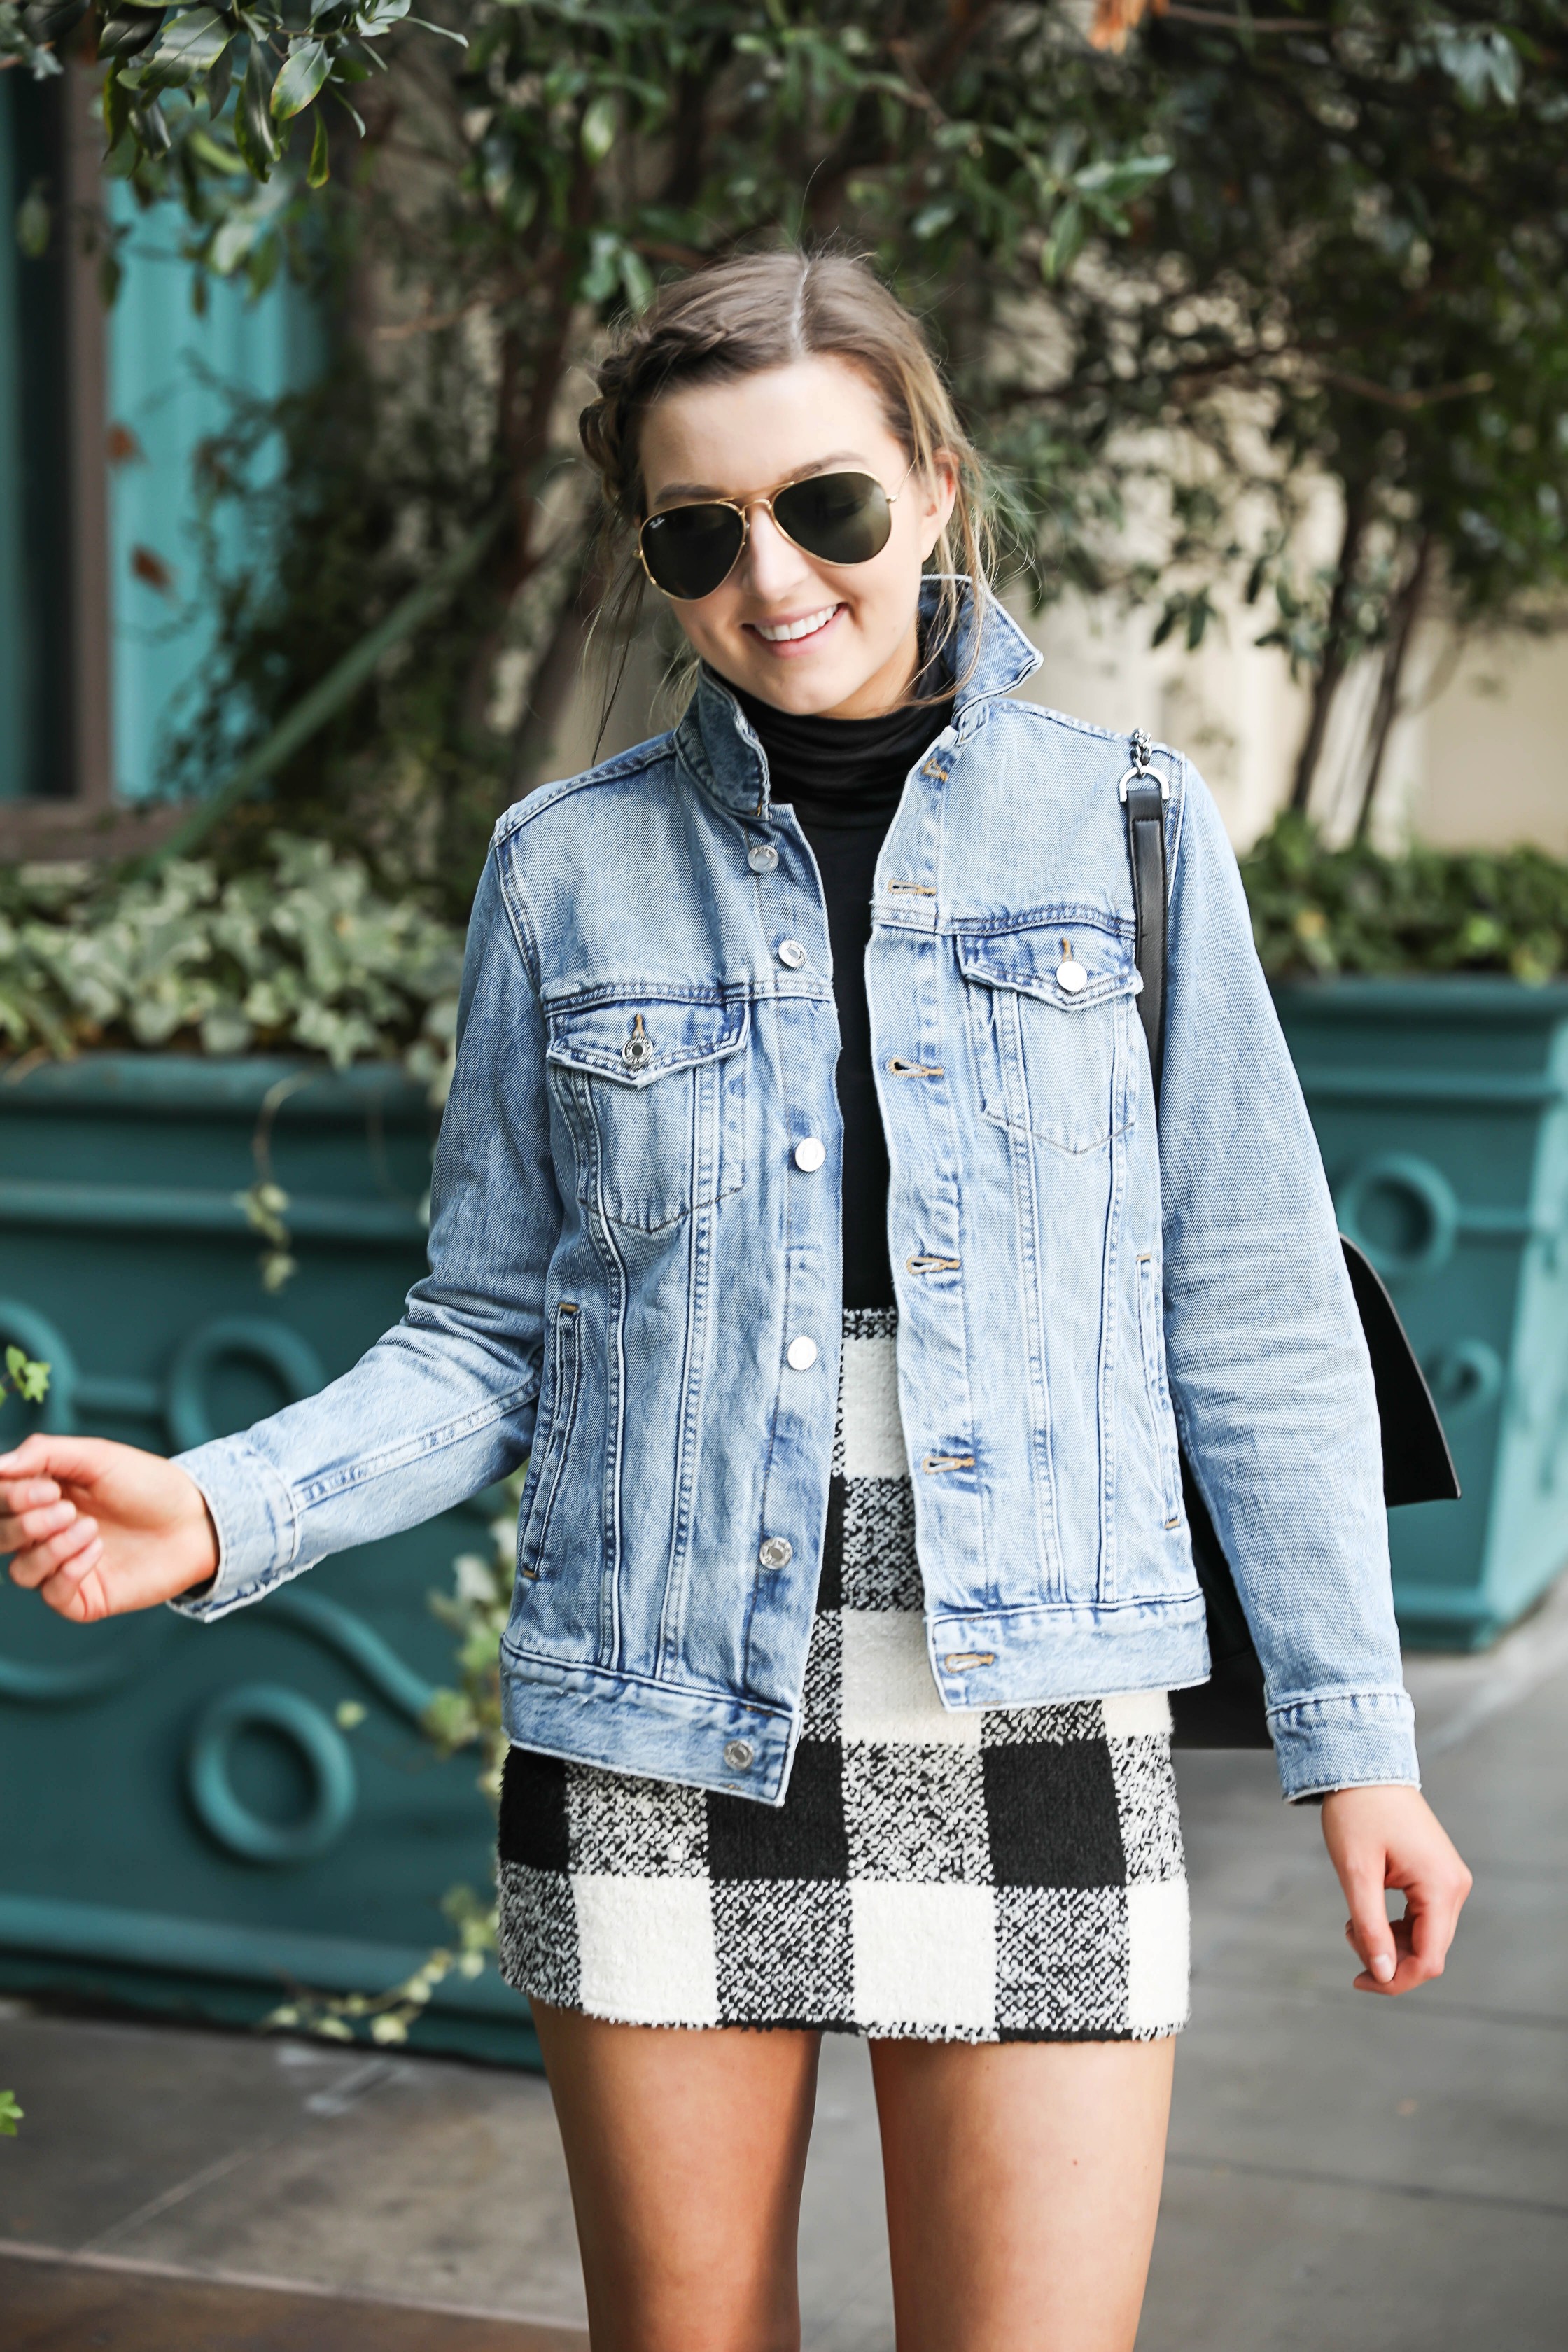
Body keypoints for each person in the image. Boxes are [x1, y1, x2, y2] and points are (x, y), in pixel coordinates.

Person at [0, 251, 1470, 2352]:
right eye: (701, 534)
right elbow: (484, 1331)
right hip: (663, 1702)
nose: (773, 578)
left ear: (936, 484)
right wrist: (226, 1507)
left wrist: (1360, 1747)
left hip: (1033, 1691)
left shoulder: (1132, 831)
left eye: (828, 507)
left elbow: (1248, 1313)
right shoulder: (564, 867)